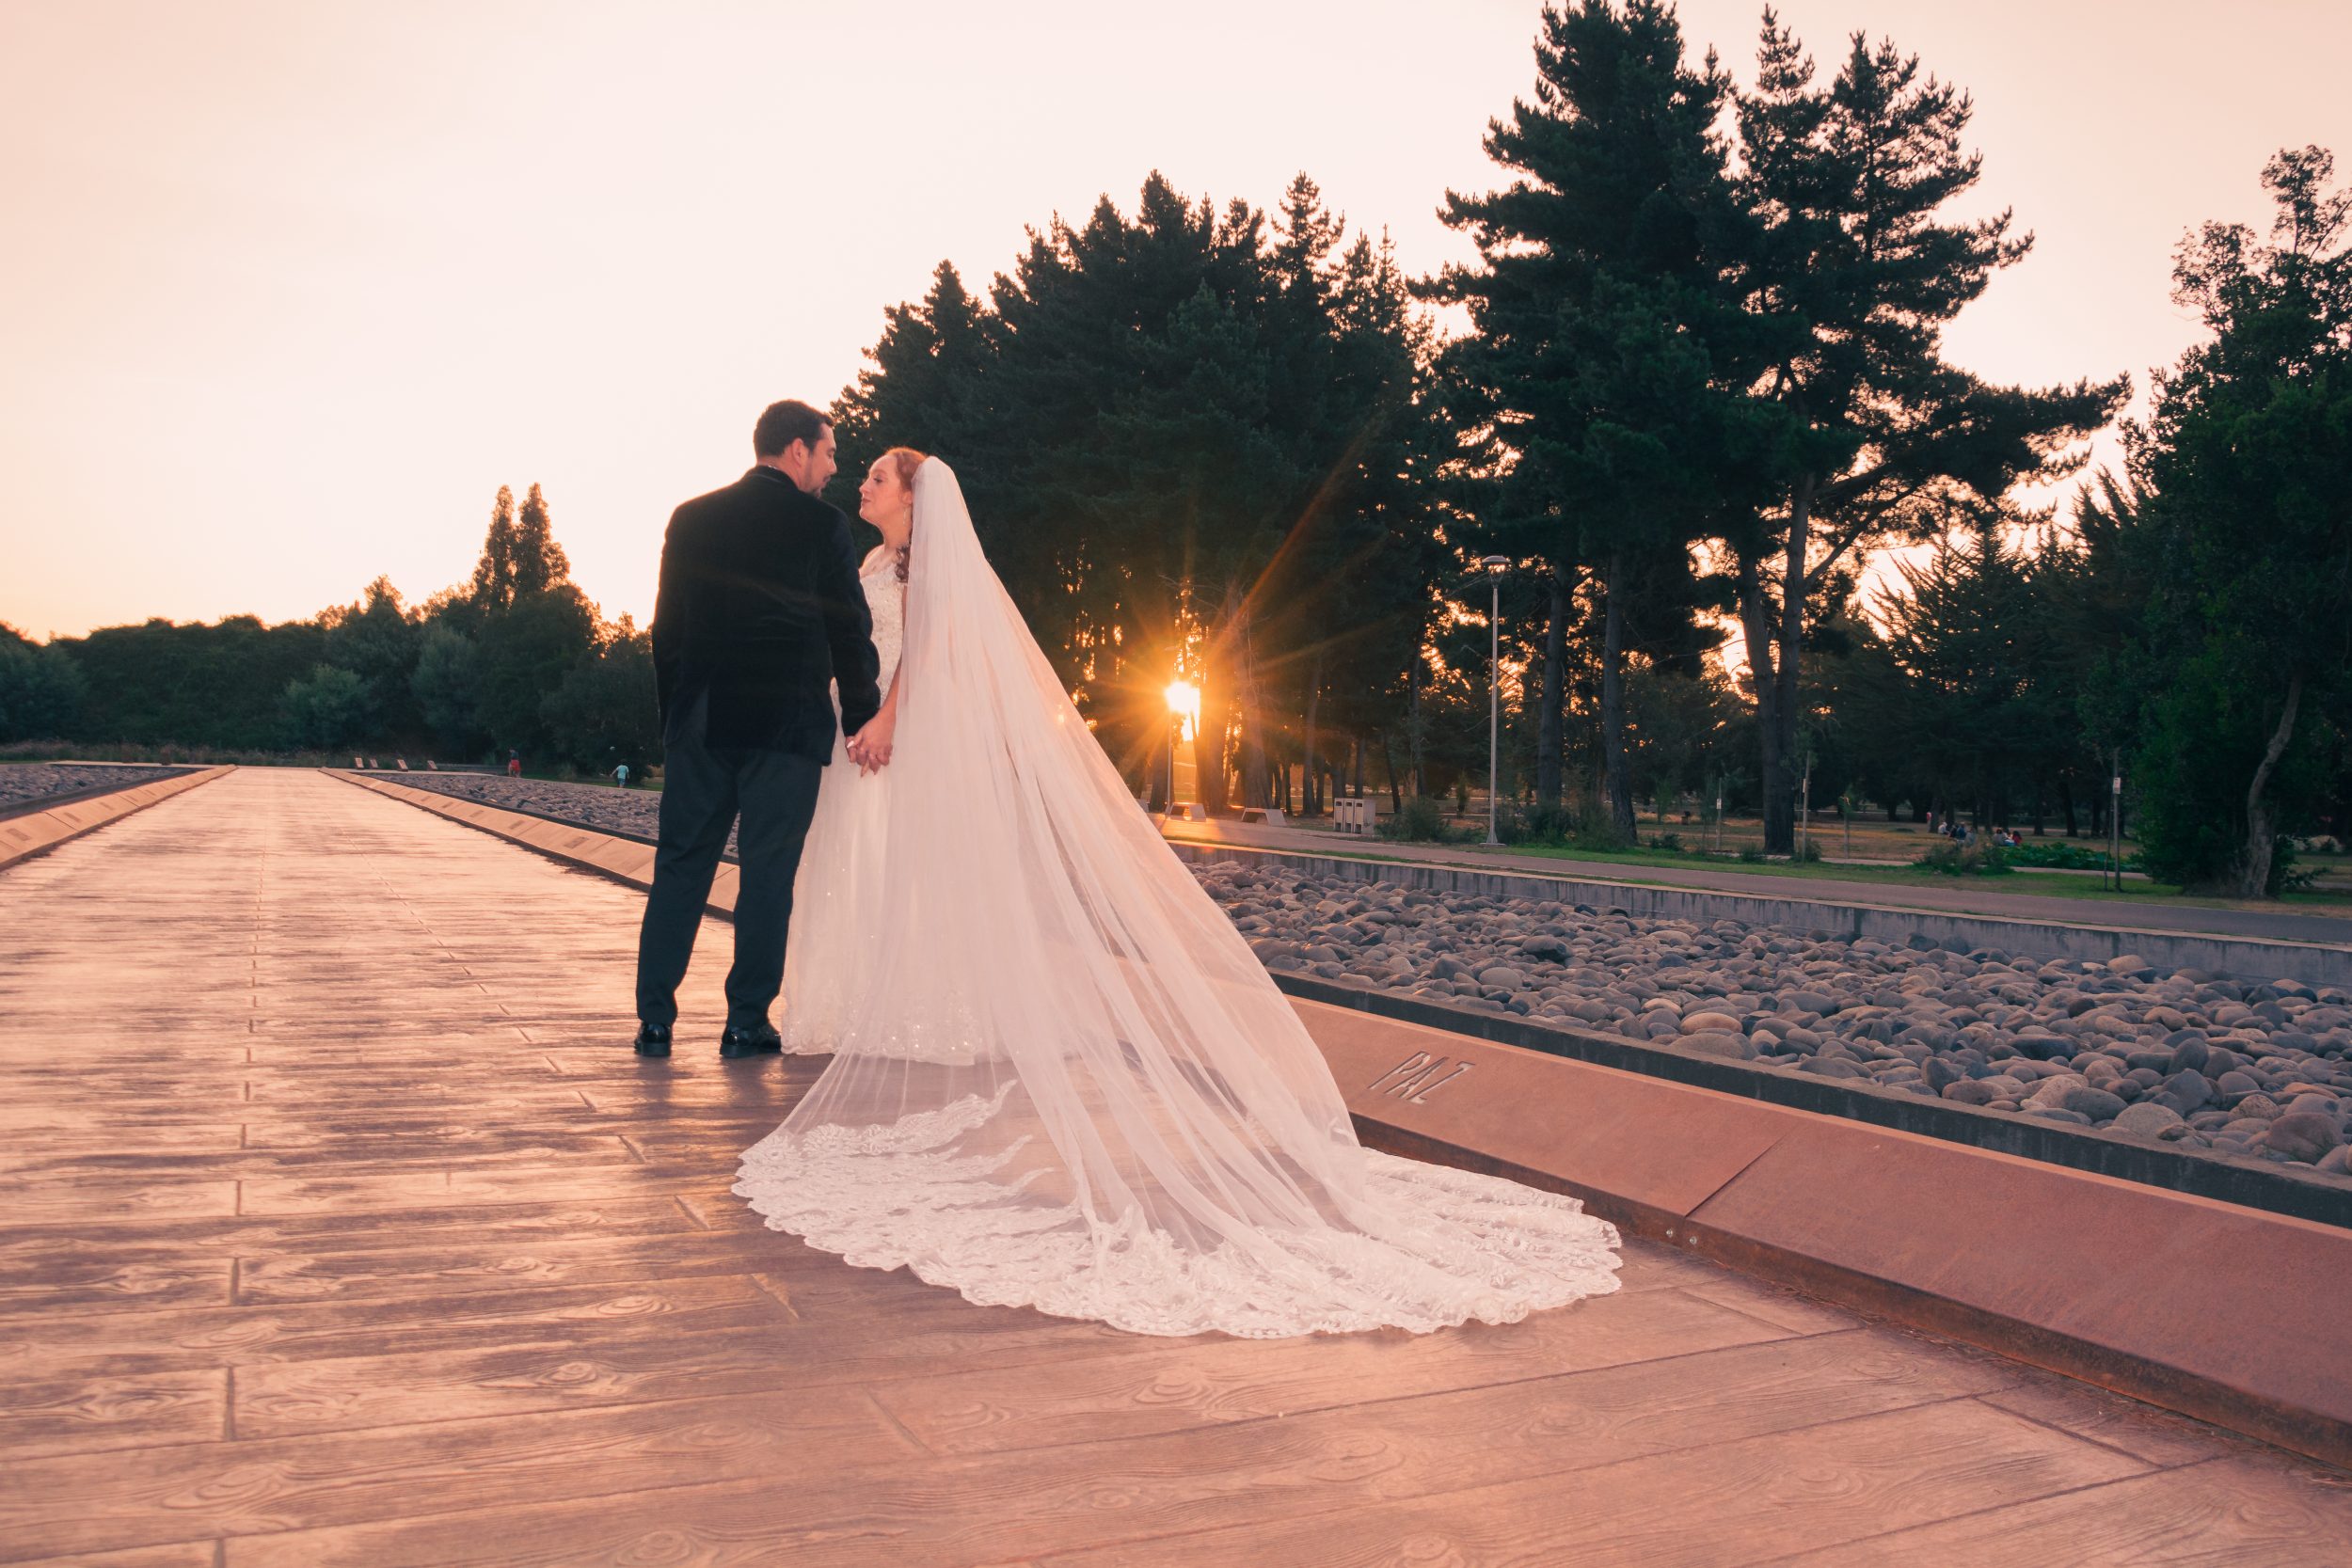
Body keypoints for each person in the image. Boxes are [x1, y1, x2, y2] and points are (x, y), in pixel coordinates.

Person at [734, 455, 1620, 1339]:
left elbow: (928, 657)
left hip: (910, 735)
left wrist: (887, 715)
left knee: (918, 881)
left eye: (879, 478)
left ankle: (921, 1005)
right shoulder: (868, 566)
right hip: (862, 741)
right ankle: (864, 999)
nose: (863, 486)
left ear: (915, 497)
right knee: (866, 879)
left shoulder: (940, 575)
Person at [632, 400, 882, 1060]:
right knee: (768, 875)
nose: (832, 468)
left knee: (681, 866)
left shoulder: (692, 517)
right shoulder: (822, 527)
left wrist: (676, 722)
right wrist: (860, 716)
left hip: (704, 722)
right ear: (796, 449)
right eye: (828, 453)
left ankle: (655, 1020)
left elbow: (668, 634)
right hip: (785, 724)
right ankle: (745, 1021)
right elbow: (848, 629)